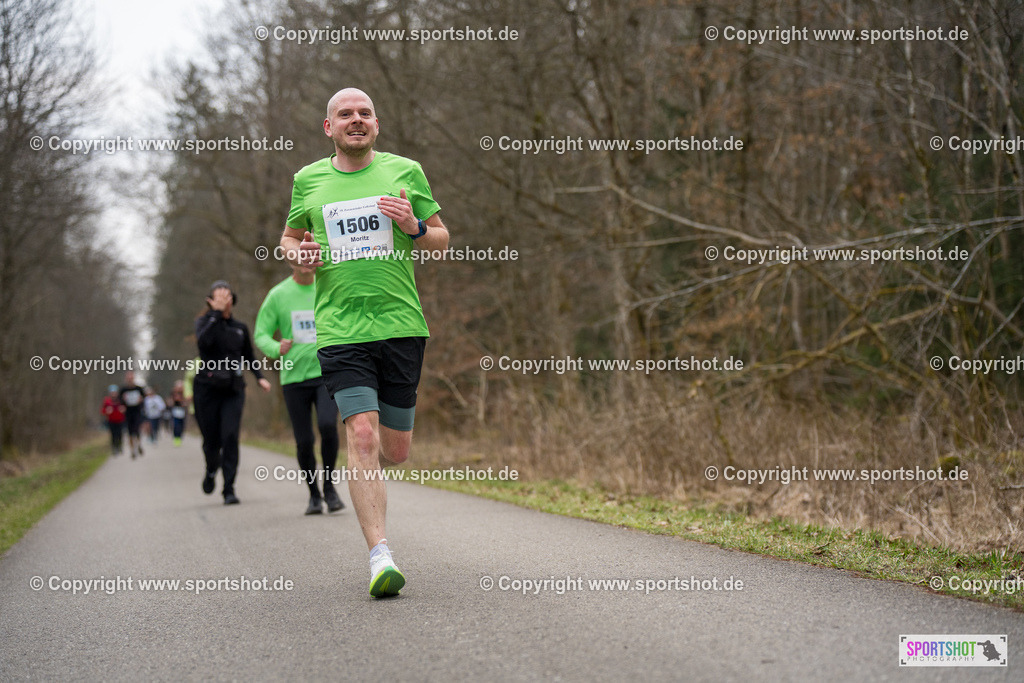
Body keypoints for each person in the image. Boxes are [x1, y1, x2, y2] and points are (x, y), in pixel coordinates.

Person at [279, 87, 449, 597]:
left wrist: (414, 226)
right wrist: (297, 255)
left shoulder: (406, 171)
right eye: (345, 114)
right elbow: (289, 238)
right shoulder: (308, 180)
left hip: (401, 326)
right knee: (362, 436)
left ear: (376, 124)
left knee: (395, 450)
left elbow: (441, 240)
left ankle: (376, 500)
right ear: (328, 127)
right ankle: (380, 557)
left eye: (365, 113)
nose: (356, 119)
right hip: (340, 330)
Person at [255, 264, 344, 516]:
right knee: (304, 441)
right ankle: (314, 495)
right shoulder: (278, 294)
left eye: (309, 255)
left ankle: (329, 488)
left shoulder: (329, 285)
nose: (305, 262)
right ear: (291, 261)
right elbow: (260, 334)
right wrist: (276, 348)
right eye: (299, 256)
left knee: (327, 425)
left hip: (326, 373)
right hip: (293, 378)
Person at [193, 280, 271, 505]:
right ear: (210, 301)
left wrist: (260, 377)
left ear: (232, 300)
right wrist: (215, 315)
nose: (223, 300)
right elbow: (204, 343)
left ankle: (229, 488)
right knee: (211, 440)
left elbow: (249, 356)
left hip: (233, 390)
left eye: (226, 296)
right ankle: (211, 469)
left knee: (229, 437)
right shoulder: (204, 323)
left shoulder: (240, 327)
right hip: (206, 390)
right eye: (218, 297)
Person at [119, 371, 146, 459]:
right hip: (128, 413)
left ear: (133, 378)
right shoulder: (123, 390)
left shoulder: (139, 389)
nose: (130, 379)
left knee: (137, 430)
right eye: (128, 378)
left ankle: (139, 444)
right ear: (126, 379)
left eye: (131, 378)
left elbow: (144, 399)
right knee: (130, 432)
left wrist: (141, 401)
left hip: (137, 412)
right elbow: (120, 401)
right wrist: (122, 406)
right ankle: (132, 450)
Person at [101, 385, 126, 455]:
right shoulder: (107, 401)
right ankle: (114, 448)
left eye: (115, 392)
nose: (113, 394)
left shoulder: (121, 400)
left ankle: (119, 446)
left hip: (120, 420)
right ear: (110, 393)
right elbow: (102, 411)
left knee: (120, 434)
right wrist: (107, 411)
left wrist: (123, 410)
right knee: (113, 435)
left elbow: (125, 408)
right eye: (112, 392)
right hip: (111, 421)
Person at [168, 380, 189, 446]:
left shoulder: (185, 393)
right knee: (176, 425)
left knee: (182, 425)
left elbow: (187, 401)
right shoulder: (173, 393)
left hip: (182, 411)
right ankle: (176, 437)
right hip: (175, 410)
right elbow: (170, 401)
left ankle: (180, 437)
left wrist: (184, 402)